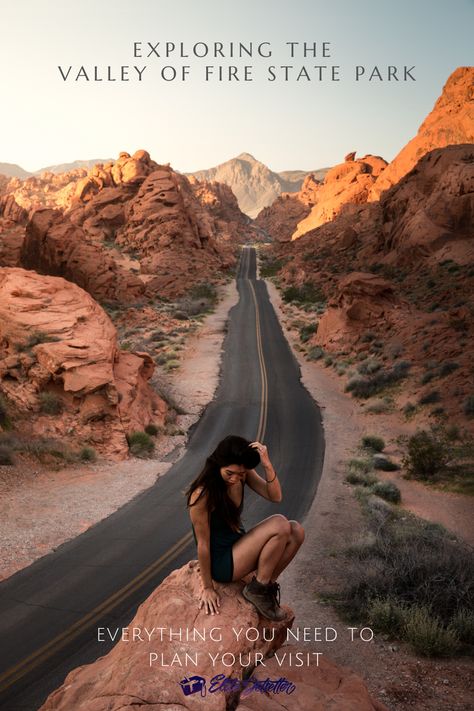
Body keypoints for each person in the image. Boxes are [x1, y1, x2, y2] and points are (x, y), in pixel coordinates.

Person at [186, 435, 305, 621]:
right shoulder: (202, 495)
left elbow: (275, 496)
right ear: (218, 464)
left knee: (296, 530)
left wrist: (266, 464)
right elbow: (202, 544)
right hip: (222, 563)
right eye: (229, 473)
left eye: (240, 474)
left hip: (239, 546)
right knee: (280, 524)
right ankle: (257, 590)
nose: (235, 479)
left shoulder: (243, 475)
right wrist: (208, 587)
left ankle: (264, 587)